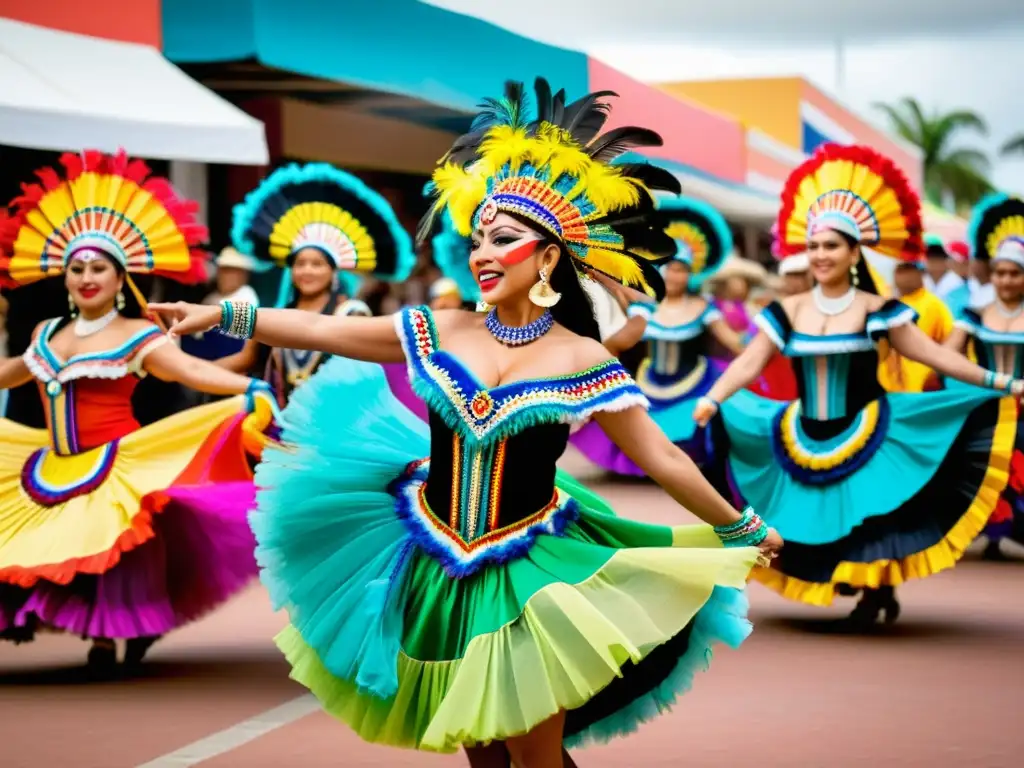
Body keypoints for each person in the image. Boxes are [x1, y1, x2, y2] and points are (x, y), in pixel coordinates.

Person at [152, 78, 782, 767]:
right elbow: (319, 328)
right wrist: (221, 314)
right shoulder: (439, 327)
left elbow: (664, 459)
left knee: (535, 749)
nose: (481, 251)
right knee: (479, 747)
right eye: (478, 237)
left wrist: (740, 525)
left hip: (533, 570)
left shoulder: (581, 357)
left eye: (503, 237)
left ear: (548, 257)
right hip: (436, 559)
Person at [694, 143, 1022, 628]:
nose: (821, 255)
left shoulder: (876, 308)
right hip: (802, 431)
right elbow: (748, 362)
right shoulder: (790, 310)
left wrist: (1001, 381)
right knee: (807, 512)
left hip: (869, 426)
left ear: (853, 253)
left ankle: (876, 590)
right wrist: (713, 398)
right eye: (814, 247)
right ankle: (849, 582)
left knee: (872, 513)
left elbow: (934, 356)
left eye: (832, 246)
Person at [0, 150, 276, 674]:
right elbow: (12, 371)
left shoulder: (137, 333)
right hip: (50, 461)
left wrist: (250, 386)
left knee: (110, 544)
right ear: (64, 277)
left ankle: (113, 637)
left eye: (98, 268)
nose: (86, 277)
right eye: (76, 268)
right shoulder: (46, 335)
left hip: (116, 458)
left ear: (118, 276)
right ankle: (101, 631)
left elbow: (190, 372)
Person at [213, 163, 415, 408]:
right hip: (280, 427)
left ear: (333, 272)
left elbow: (366, 378)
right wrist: (183, 370)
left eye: (317, 264)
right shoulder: (276, 316)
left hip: (334, 429)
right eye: (300, 264)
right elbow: (245, 360)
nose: (307, 270)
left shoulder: (351, 313)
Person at [570, 196, 743, 476]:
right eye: (670, 268)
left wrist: (754, 342)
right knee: (637, 428)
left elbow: (732, 341)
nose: (674, 276)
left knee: (694, 422)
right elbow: (617, 288)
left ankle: (683, 469)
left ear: (690, 274)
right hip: (648, 384)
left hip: (694, 383)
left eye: (681, 270)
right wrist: (592, 268)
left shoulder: (703, 308)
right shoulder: (644, 306)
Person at [945, 193, 1024, 560]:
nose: (1006, 280)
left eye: (1015, 273)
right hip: (989, 406)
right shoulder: (975, 311)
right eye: (1000, 272)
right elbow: (947, 354)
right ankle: (989, 535)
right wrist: (975, 383)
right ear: (991, 274)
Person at [878, 258, 953, 392]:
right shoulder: (888, 304)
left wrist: (936, 374)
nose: (903, 276)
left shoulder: (934, 305)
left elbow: (951, 344)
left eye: (908, 269)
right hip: (891, 389)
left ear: (920, 273)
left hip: (924, 387)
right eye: (900, 270)